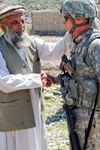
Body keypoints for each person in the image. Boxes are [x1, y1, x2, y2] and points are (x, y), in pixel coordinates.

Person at [0, 4, 74, 150]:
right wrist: (37, 79)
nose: (21, 26)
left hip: (35, 108)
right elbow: (3, 82)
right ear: (3, 27)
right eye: (15, 23)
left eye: (22, 21)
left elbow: (54, 51)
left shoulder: (31, 42)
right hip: (14, 114)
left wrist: (72, 30)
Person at [42, 0, 100, 150]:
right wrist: (54, 79)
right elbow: (79, 77)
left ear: (79, 18)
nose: (64, 23)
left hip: (94, 121)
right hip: (81, 117)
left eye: (67, 18)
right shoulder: (80, 44)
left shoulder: (95, 45)